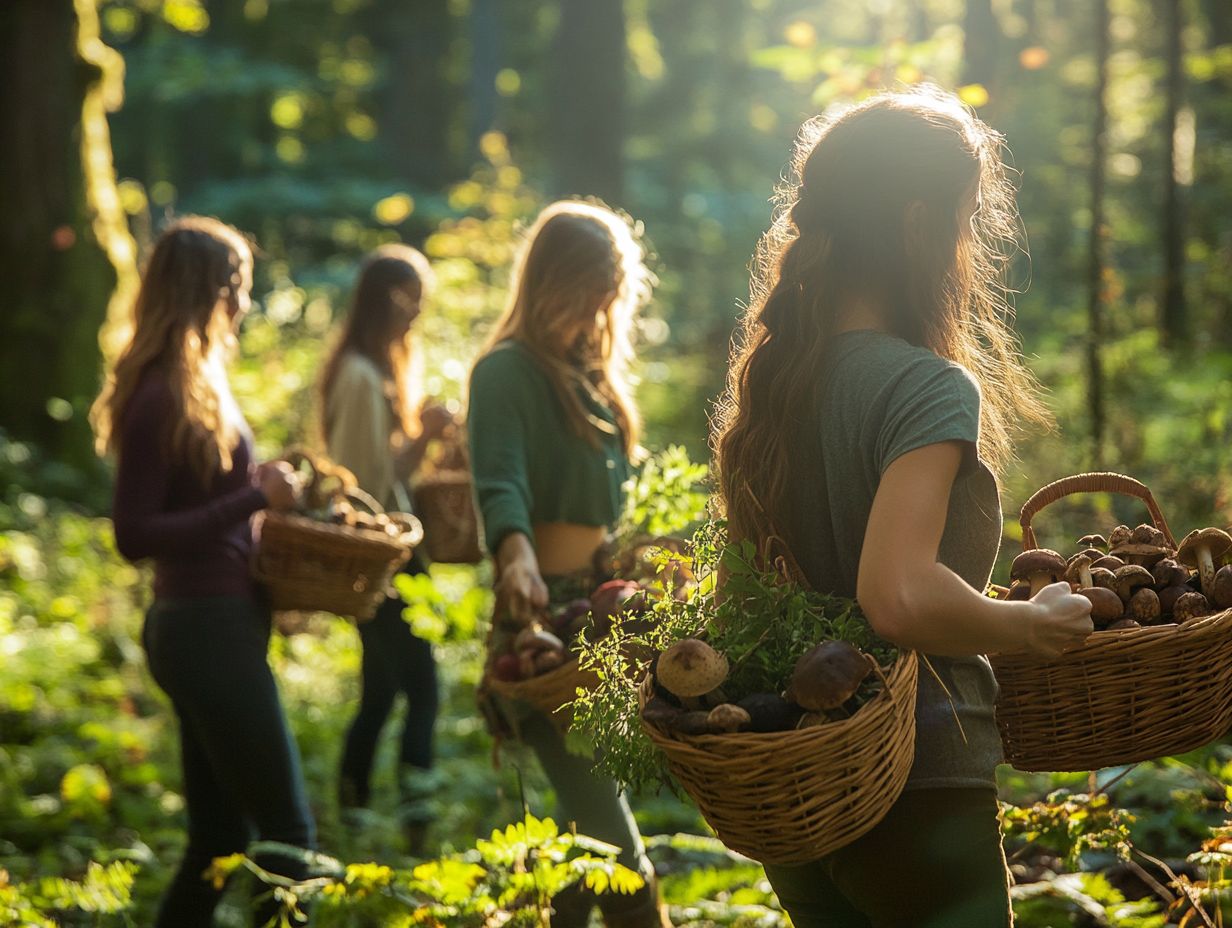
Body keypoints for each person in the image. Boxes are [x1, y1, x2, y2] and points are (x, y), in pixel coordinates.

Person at [712, 87, 1094, 928]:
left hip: (799, 789)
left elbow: (768, 593)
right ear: (920, 224)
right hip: (915, 782)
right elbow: (898, 595)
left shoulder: (776, 387)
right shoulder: (925, 387)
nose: (966, 246)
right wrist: (1030, 626)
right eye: (964, 221)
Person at [92, 216, 315, 927]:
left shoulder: (196, 383)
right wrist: (256, 495)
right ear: (206, 291)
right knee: (290, 840)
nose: (244, 304)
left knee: (220, 838)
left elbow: (214, 506)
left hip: (217, 625)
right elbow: (133, 533)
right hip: (203, 631)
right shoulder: (159, 391)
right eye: (237, 287)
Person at [467, 200, 668, 928]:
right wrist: (513, 552)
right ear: (553, 281)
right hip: (543, 624)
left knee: (585, 833)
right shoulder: (507, 372)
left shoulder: (593, 380)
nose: (599, 309)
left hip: (602, 612)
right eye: (589, 291)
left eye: (610, 293)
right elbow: (499, 479)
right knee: (616, 852)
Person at [319, 243, 454, 852]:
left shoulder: (371, 371)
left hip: (393, 554)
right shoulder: (357, 376)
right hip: (382, 556)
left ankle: (355, 815)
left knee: (380, 692)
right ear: (387, 301)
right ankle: (415, 825)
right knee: (422, 688)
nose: (416, 318)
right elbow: (364, 486)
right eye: (411, 304)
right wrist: (422, 437)